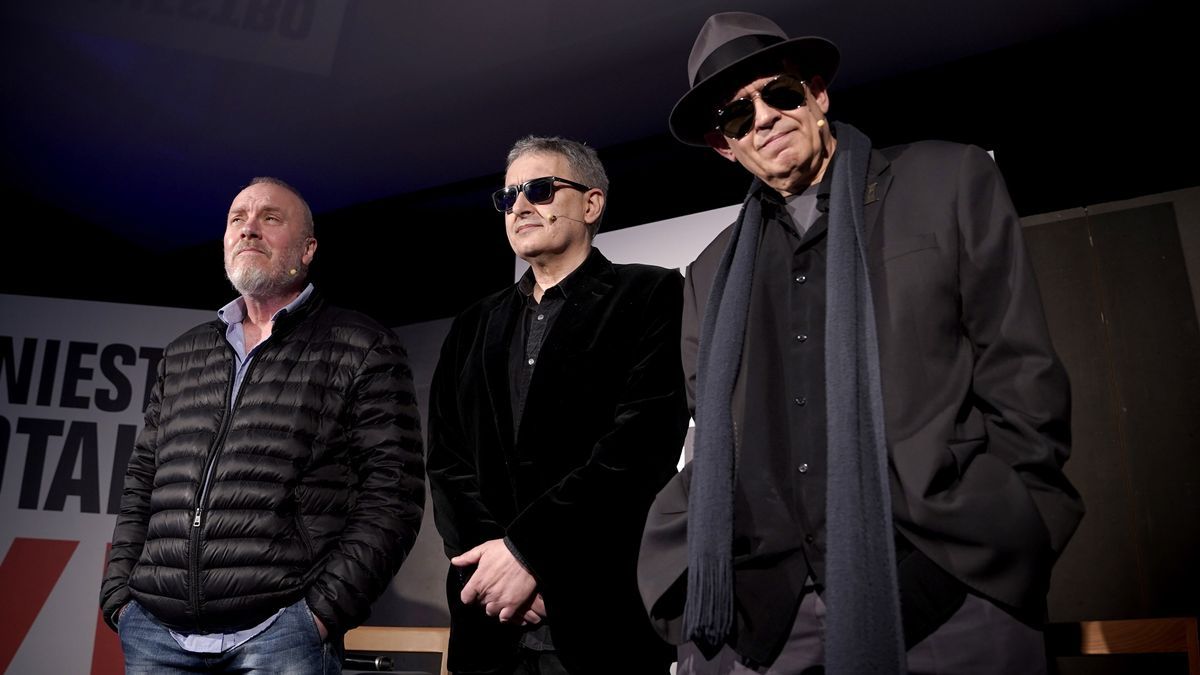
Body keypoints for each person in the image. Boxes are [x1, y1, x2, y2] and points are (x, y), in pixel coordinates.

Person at [637, 12, 1084, 675]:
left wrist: (1000, 541)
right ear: (725, 146)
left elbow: (1022, 380)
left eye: (779, 93)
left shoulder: (948, 183)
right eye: (736, 116)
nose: (762, 118)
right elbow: (717, 436)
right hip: (767, 617)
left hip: (948, 593)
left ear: (817, 94)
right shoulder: (709, 271)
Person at [100, 176, 426, 674]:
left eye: (270, 218)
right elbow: (142, 480)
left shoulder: (361, 344)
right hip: (155, 635)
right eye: (237, 219)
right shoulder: (185, 353)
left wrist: (321, 614)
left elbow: (394, 494)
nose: (248, 229)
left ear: (308, 248)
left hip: (280, 637)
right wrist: (121, 599)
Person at [427, 136, 690, 675]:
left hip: (601, 614)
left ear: (591, 204)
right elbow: (448, 465)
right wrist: (499, 575)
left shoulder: (653, 295)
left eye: (540, 190)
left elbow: (639, 450)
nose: (520, 206)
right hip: (492, 619)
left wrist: (529, 554)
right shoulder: (474, 323)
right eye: (507, 197)